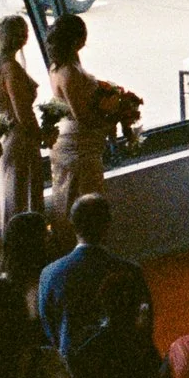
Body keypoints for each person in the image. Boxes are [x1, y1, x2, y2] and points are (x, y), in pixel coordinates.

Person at [45, 14, 134, 241]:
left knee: (75, 199)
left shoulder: (60, 67)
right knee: (84, 202)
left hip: (77, 142)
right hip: (78, 146)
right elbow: (82, 116)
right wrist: (112, 117)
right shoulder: (69, 72)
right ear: (76, 39)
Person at [37, 192, 148, 355]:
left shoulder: (49, 274)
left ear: (73, 225)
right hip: (123, 364)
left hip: (74, 370)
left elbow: (49, 329)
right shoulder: (130, 272)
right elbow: (143, 327)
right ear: (107, 224)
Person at [0, 13, 45, 236]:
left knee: (10, 195)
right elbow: (23, 113)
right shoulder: (11, 69)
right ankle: (25, 247)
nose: (27, 36)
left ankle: (11, 248)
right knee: (23, 196)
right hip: (20, 140)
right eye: (24, 32)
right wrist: (42, 135)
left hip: (5, 139)